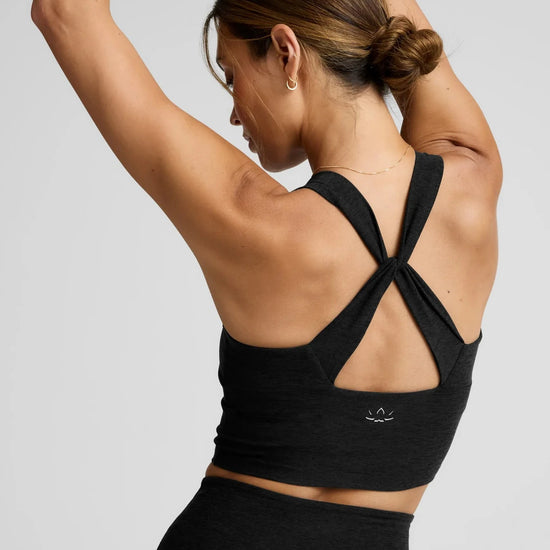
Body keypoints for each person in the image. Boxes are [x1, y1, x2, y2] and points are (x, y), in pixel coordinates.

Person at [32, 0, 502, 548]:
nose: (234, 113)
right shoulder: (473, 180)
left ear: (285, 52)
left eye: (231, 75)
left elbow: (65, 11)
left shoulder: (252, 219)